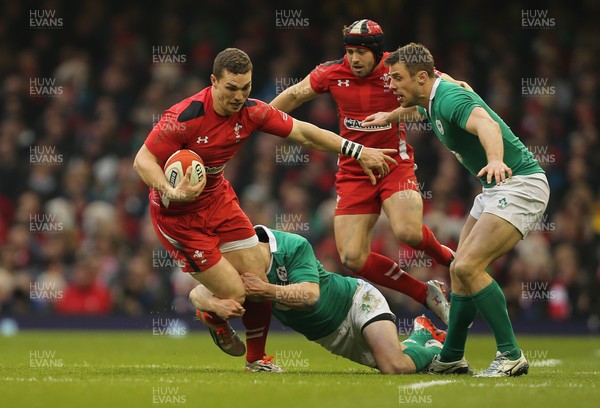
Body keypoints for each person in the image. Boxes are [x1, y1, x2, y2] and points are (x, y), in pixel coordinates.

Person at [133, 48, 396, 372]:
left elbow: (303, 133)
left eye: (246, 88)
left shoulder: (252, 112)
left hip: (216, 199)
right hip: (178, 218)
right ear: (213, 81)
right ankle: (204, 305)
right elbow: (142, 160)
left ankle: (256, 360)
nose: (239, 96)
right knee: (234, 294)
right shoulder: (185, 116)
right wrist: (171, 190)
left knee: (257, 277)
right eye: (231, 88)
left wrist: (356, 150)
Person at [363, 42, 550, 377]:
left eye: (396, 78)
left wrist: (495, 159)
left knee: (467, 266)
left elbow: (486, 124)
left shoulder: (449, 97)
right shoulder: (431, 98)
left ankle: (511, 355)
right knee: (459, 272)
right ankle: (451, 356)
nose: (390, 85)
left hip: (519, 184)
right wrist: (389, 116)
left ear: (422, 77)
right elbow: (419, 112)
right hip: (495, 188)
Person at [270, 19, 465, 325]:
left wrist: (457, 87)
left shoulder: (397, 68)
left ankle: (450, 260)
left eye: (361, 52)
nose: (354, 59)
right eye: (350, 51)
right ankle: (427, 294)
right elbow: (294, 95)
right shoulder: (331, 72)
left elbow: (437, 88)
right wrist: (262, 118)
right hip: (353, 170)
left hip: (393, 163)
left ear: (377, 52)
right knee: (352, 258)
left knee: (408, 232)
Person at [189, 225, 447, 374]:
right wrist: (214, 305)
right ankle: (422, 333)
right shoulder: (237, 259)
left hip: (356, 302)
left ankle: (437, 348)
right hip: (332, 338)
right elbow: (197, 292)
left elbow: (310, 296)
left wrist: (266, 290)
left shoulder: (292, 245)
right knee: (397, 358)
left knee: (394, 367)